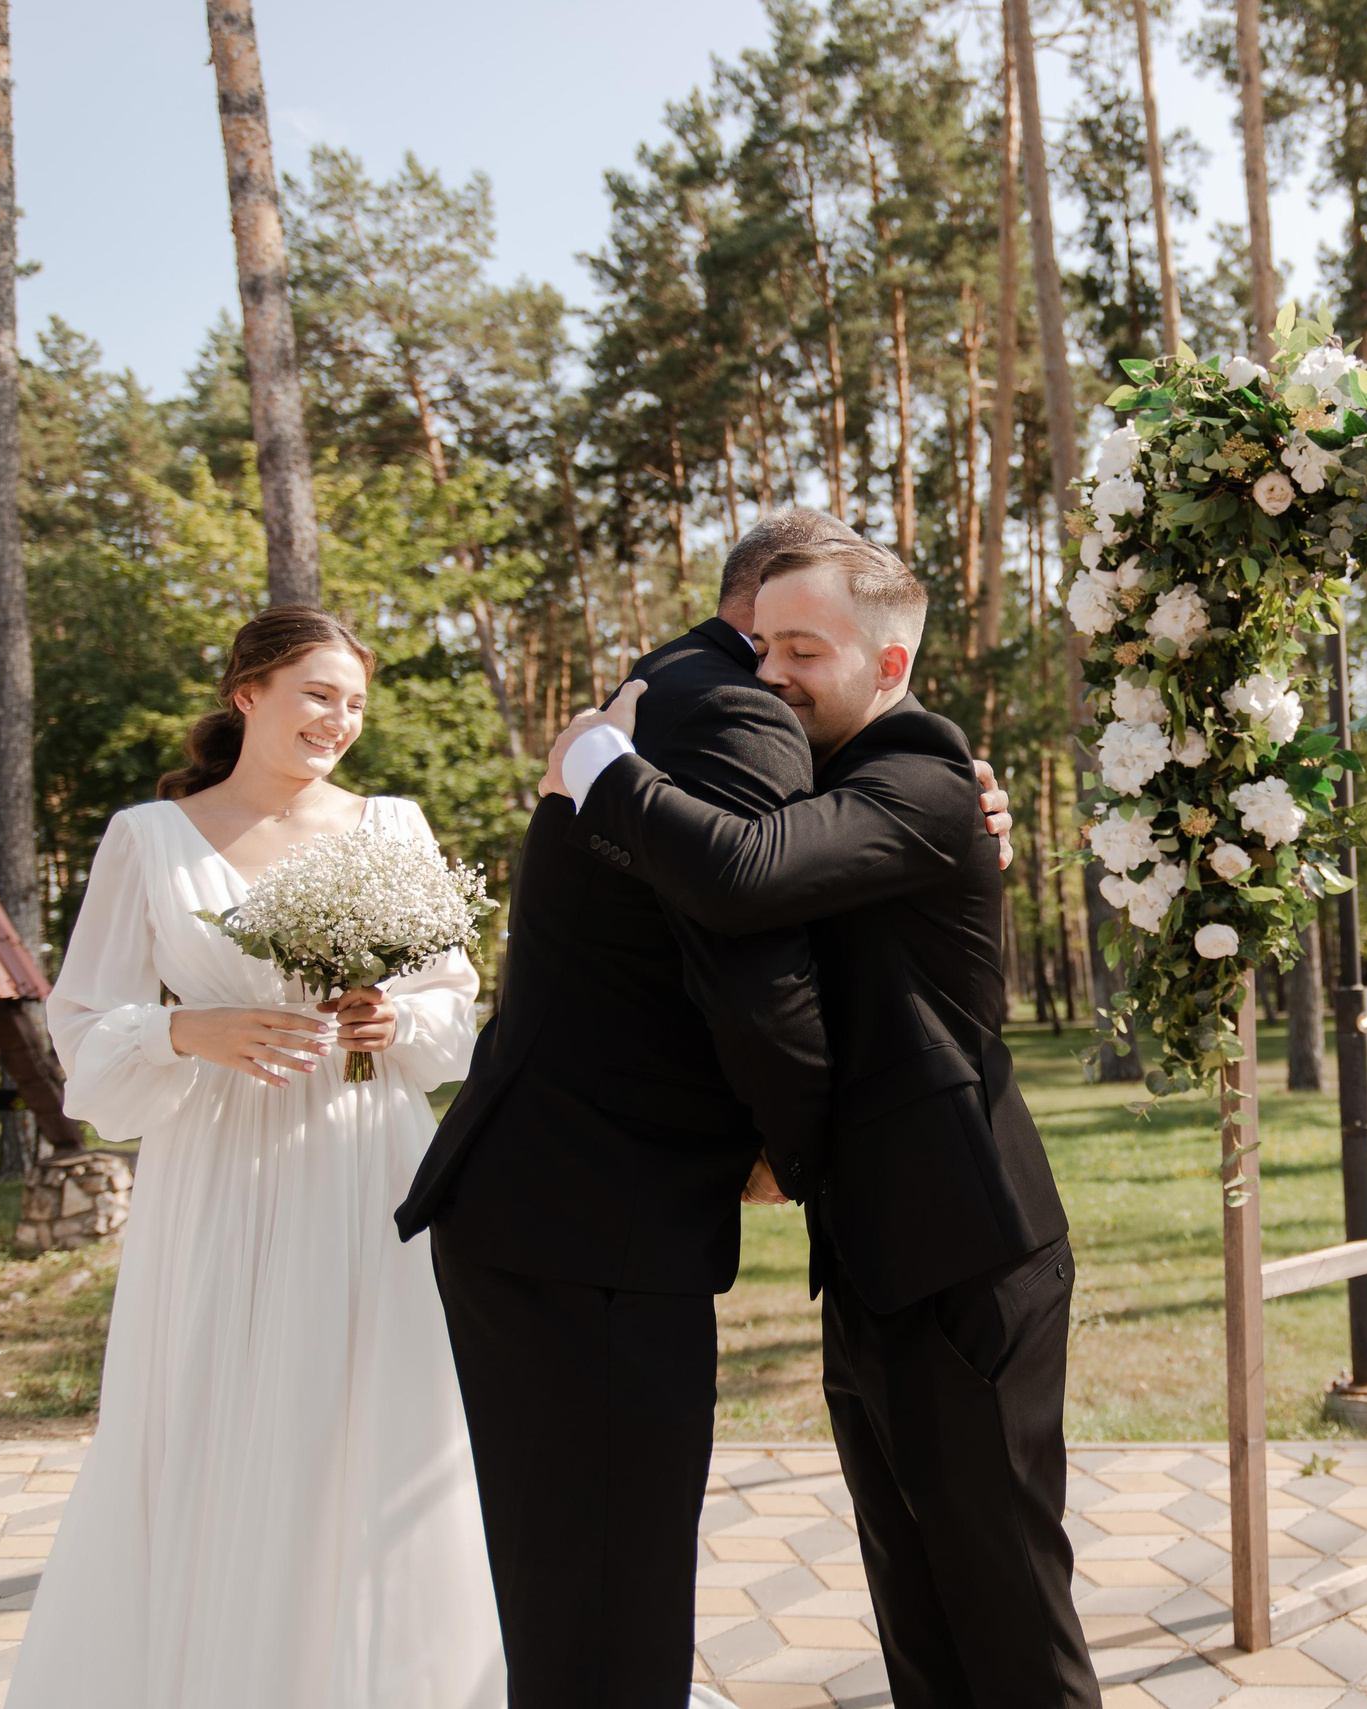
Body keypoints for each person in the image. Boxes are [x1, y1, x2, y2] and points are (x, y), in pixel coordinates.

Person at [396, 508, 1008, 1708]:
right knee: (609, 1614)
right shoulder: (732, 709)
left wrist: (942, 806)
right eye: (785, 639)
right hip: (596, 1216)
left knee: (578, 1602)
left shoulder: (665, 689)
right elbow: (757, 970)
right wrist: (801, 1148)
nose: (784, 672)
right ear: (759, 605)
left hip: (547, 1204)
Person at [545, 536, 1097, 1709]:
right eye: (761, 646)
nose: (770, 673)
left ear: (888, 662)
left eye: (803, 650)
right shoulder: (844, 782)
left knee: (1005, 1604)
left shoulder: (924, 781)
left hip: (965, 1246)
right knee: (916, 1597)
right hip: (875, 1247)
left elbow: (741, 872)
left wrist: (600, 758)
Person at [9, 606, 501, 1708]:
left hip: (366, 1154)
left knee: (379, 1406)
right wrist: (189, 1030)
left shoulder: (395, 826)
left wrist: (395, 1020)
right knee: (215, 1403)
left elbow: (451, 1001)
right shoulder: (148, 837)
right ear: (248, 694)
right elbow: (83, 1019)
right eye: (318, 693)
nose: (340, 719)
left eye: (356, 702)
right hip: (219, 1164)